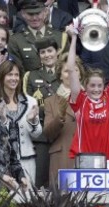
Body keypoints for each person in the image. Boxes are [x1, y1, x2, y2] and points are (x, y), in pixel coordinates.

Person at [65, 19, 109, 169]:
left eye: (99, 85)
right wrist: (73, 38)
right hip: (85, 160)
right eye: (92, 86)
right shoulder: (80, 100)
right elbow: (71, 69)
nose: (96, 89)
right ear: (85, 86)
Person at [0, 59, 41, 183]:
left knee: (28, 199)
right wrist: (2, 120)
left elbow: (36, 133)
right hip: (3, 162)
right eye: (10, 74)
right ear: (2, 77)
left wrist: (32, 120)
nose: (14, 78)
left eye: (16, 75)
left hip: (27, 159)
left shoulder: (30, 101)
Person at [23, 37, 60, 187]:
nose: (47, 55)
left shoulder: (66, 73)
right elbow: (28, 106)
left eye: (50, 50)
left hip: (62, 133)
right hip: (41, 135)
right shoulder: (30, 76)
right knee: (39, 178)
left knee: (61, 179)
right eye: (43, 52)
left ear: (57, 52)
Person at [43, 56, 82, 185]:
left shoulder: (91, 99)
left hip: (86, 156)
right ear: (60, 75)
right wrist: (60, 116)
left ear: (80, 74)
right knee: (62, 202)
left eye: (75, 70)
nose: (71, 74)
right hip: (62, 156)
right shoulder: (50, 102)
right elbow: (48, 134)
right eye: (67, 71)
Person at [7, 0, 67, 73]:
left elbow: (67, 66)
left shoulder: (60, 37)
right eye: (30, 14)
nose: (35, 18)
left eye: (38, 13)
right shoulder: (15, 40)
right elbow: (18, 72)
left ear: (45, 12)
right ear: (23, 14)